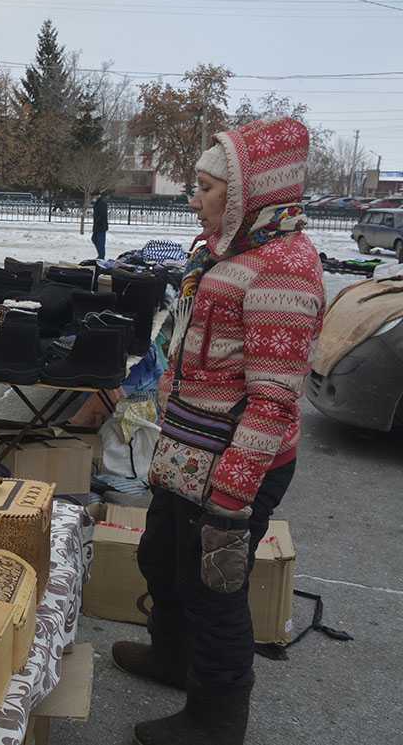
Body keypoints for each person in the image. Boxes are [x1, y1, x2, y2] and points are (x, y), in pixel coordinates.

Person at [114, 118, 324, 745]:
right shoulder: (222, 251)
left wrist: (231, 496)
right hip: (188, 455)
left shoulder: (283, 268)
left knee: (215, 588)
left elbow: (274, 401)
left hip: (237, 464)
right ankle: (172, 659)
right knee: (162, 558)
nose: (194, 199)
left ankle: (216, 719)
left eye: (206, 188)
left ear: (247, 195)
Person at [91, 192, 109, 259]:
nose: (93, 197)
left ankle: (101, 256)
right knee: (94, 239)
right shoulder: (97, 203)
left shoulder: (102, 203)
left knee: (100, 242)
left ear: (98, 195)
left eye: (93, 196)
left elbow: (102, 215)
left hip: (101, 226)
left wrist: (98, 221)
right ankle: (100, 255)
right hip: (97, 225)